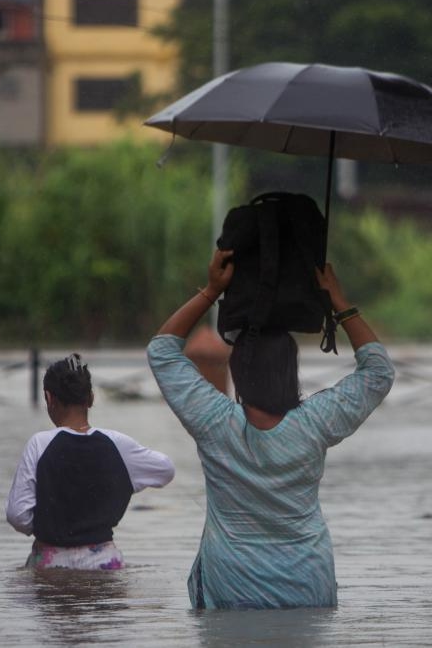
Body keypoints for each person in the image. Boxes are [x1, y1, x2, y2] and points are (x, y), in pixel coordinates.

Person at [146, 249, 395, 609]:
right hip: (308, 586)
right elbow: (378, 373)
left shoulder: (214, 422)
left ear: (239, 375)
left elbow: (162, 351)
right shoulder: (316, 422)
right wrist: (339, 300)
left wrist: (212, 290)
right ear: (291, 372)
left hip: (230, 588)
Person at [6, 353, 175, 570]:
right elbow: (166, 470)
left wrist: (50, 525)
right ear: (91, 398)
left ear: (49, 398)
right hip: (104, 561)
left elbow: (17, 515)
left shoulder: (39, 444)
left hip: (49, 564)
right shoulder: (118, 444)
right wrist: (124, 483)